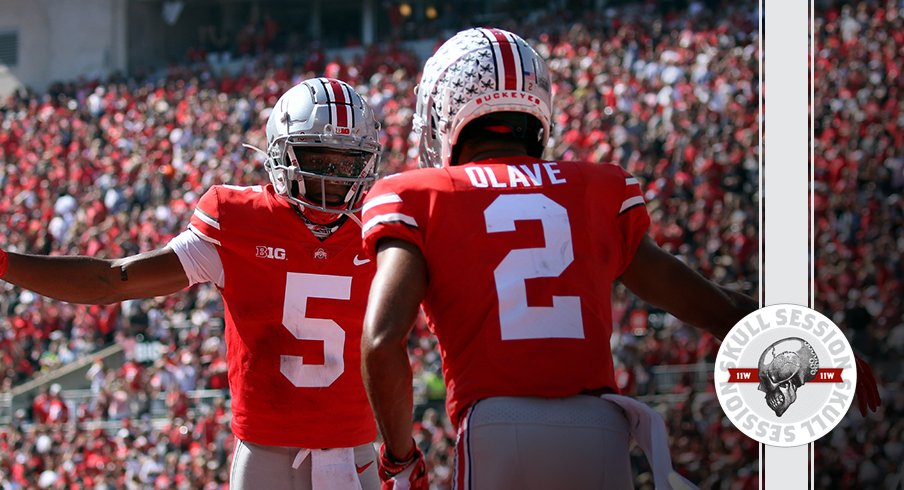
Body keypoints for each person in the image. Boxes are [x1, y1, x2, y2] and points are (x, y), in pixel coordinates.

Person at [358, 28, 881, 489]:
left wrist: (399, 458)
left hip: (500, 427)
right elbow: (709, 305)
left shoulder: (419, 194)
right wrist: (811, 344)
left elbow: (383, 341)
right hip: (600, 429)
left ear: (444, 109)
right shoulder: (594, 187)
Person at [0, 77, 383, 490]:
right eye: (317, 159)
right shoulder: (237, 220)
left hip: (355, 449)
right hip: (268, 453)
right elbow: (112, 279)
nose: (332, 178)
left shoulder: (381, 225)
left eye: (345, 163)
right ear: (280, 152)